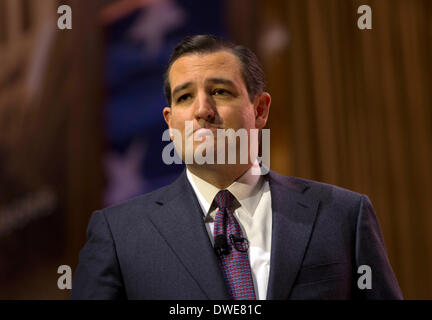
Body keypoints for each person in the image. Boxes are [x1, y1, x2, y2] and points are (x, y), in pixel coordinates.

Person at [70, 35, 402, 300]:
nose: (202, 109)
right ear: (171, 125)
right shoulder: (119, 234)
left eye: (219, 91)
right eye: (185, 97)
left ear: (260, 109)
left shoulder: (343, 215)